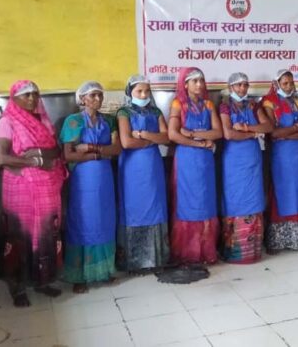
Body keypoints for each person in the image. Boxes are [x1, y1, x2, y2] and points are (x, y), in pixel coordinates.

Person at [0, 80, 67, 307]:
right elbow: (2, 158)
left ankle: (42, 281)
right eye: (26, 95)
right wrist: (35, 161)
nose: (32, 98)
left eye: (35, 94)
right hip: (22, 188)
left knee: (46, 233)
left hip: (46, 187)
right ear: (14, 98)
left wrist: (42, 155)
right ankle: (18, 287)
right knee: (21, 235)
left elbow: (55, 150)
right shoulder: (7, 122)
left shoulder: (43, 121)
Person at [59, 81, 120, 293]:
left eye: (100, 95)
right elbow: (68, 155)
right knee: (83, 220)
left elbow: (116, 149)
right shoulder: (73, 121)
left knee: (104, 220)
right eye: (93, 95)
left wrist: (89, 148)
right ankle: (80, 275)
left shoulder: (109, 121)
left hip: (104, 179)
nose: (97, 99)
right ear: (82, 99)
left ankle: (103, 270)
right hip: (83, 181)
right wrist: (99, 154)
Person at [167, 67, 223, 264]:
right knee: (188, 203)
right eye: (194, 81)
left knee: (205, 201)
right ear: (185, 84)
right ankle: (188, 253)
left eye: (201, 80)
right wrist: (200, 143)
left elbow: (218, 132)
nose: (199, 85)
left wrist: (190, 133)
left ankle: (206, 251)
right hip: (187, 160)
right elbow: (173, 134)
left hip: (205, 161)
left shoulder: (208, 104)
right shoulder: (178, 104)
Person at [116, 75, 171, 272]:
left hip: (153, 167)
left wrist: (144, 135)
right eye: (139, 91)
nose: (143, 95)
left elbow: (167, 138)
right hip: (132, 168)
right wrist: (152, 141)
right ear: (130, 92)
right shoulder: (123, 112)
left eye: (147, 91)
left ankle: (156, 258)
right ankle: (134, 261)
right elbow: (127, 142)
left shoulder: (155, 111)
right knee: (134, 207)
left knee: (155, 205)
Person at [219, 72, 273, 264]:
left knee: (253, 197)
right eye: (238, 85)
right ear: (230, 87)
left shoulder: (253, 105)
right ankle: (235, 251)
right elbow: (228, 133)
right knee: (235, 199)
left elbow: (268, 127)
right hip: (234, 161)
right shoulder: (225, 106)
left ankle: (253, 250)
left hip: (253, 159)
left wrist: (246, 128)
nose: (242, 89)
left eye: (245, 85)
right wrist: (253, 134)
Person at [261, 69, 298, 253]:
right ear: (277, 84)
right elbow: (273, 133)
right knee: (282, 191)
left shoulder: (297, 102)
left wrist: (289, 134)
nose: (289, 86)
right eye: (285, 83)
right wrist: (297, 127)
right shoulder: (269, 102)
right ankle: (278, 240)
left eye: (291, 83)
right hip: (281, 156)